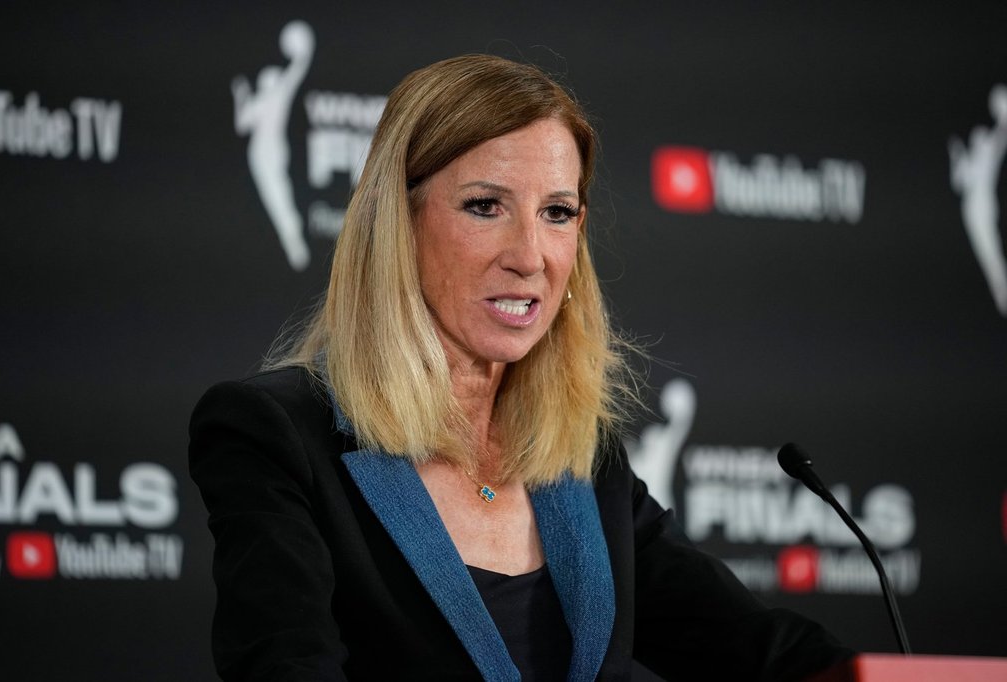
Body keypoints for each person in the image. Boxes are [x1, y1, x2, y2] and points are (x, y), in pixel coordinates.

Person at [189, 54, 853, 681]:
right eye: (486, 206)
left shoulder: (582, 459)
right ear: (399, 221)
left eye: (557, 213)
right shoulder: (276, 435)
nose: (529, 255)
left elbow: (755, 650)